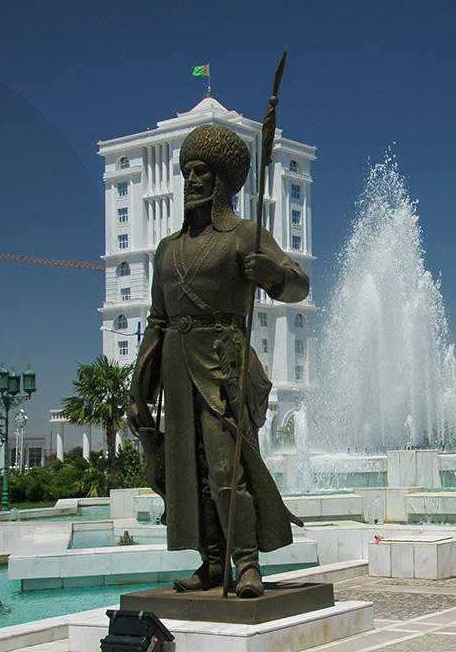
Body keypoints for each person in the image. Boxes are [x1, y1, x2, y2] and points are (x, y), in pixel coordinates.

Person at [127, 123, 307, 598]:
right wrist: (138, 389)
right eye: (187, 171)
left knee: (228, 470)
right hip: (175, 367)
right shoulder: (167, 250)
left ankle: (246, 564)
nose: (192, 180)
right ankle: (211, 564)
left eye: (202, 172)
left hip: (223, 366)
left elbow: (298, 284)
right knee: (190, 473)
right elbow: (156, 322)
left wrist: (272, 275)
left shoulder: (245, 234)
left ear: (223, 181)